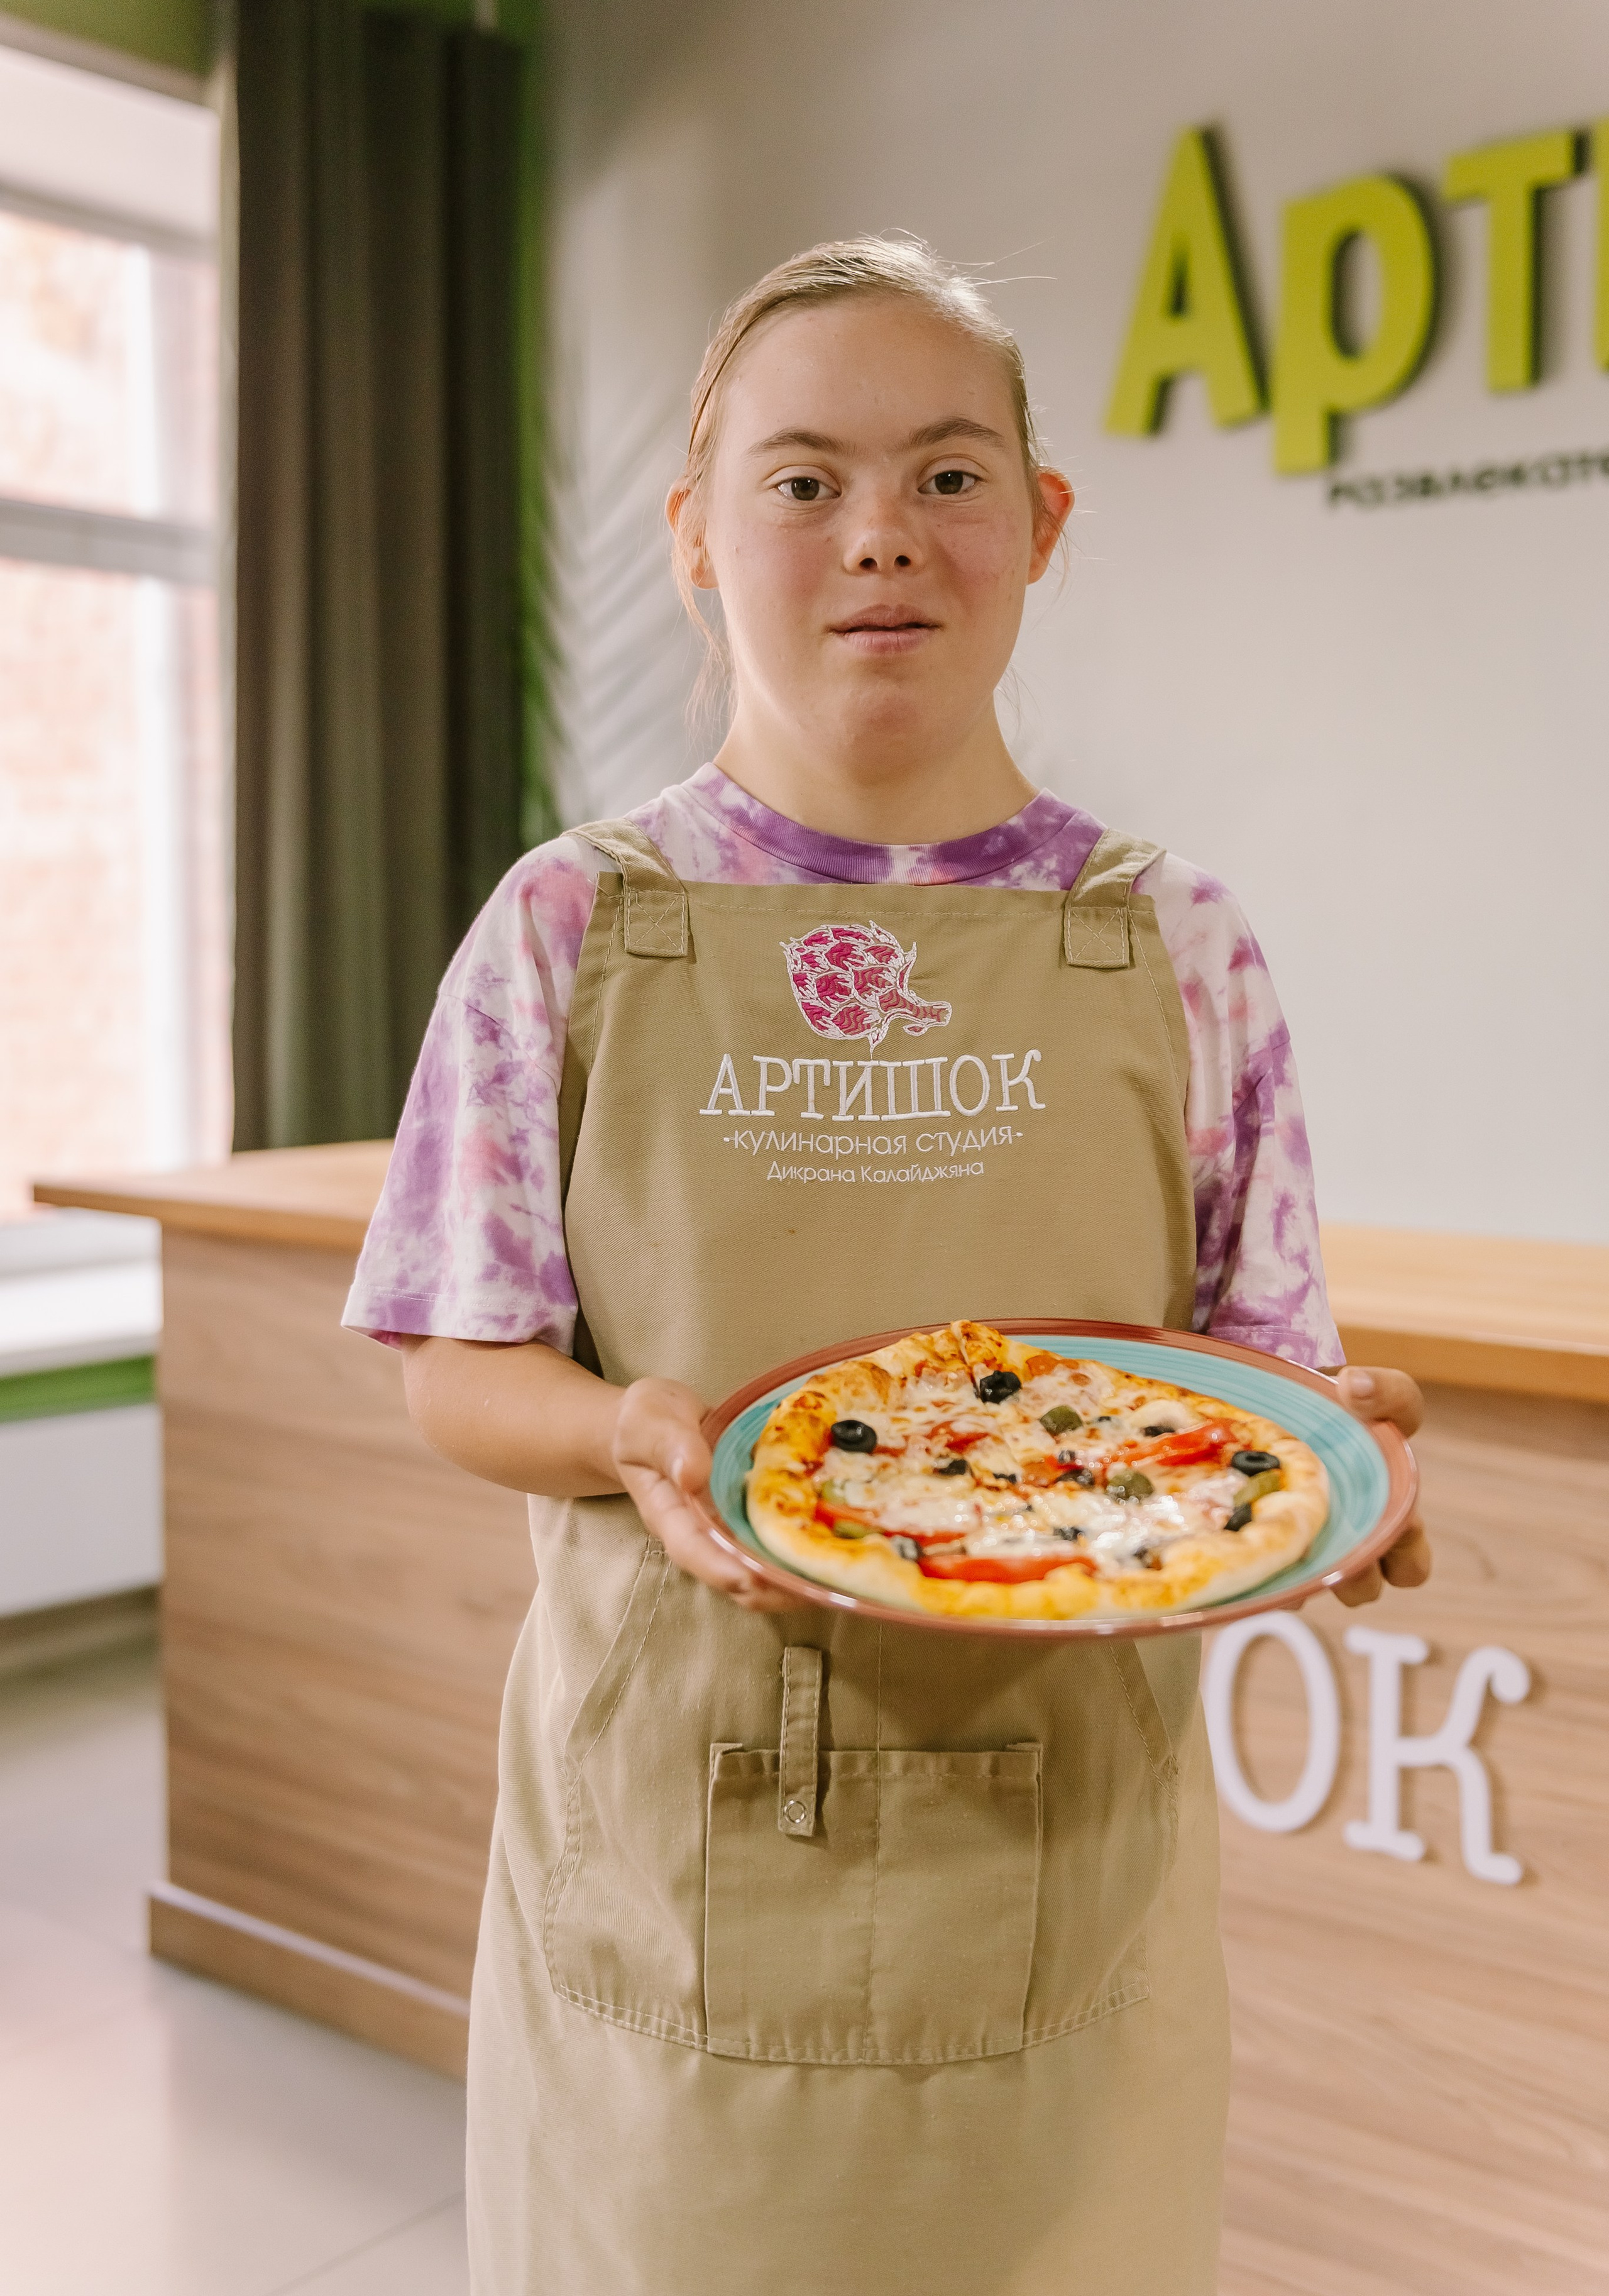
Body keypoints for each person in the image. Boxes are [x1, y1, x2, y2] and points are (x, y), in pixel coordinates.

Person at [344, 238, 1431, 2296]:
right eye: (801, 479)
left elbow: (1262, 1376)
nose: (881, 542)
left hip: (1063, 1895)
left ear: (1043, 524)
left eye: (948, 475)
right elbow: (456, 1366)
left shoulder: (1175, 939)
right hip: (660, 1884)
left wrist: (1336, 1462)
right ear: (692, 535)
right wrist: (629, 1428)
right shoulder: (569, 929)